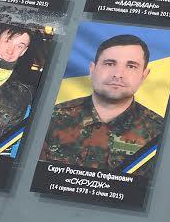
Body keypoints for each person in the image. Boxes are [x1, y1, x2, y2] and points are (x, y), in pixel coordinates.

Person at [40, 34, 163, 175]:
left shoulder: (160, 134)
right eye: (110, 64)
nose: (118, 74)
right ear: (92, 69)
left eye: (131, 66)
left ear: (144, 75)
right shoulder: (50, 117)